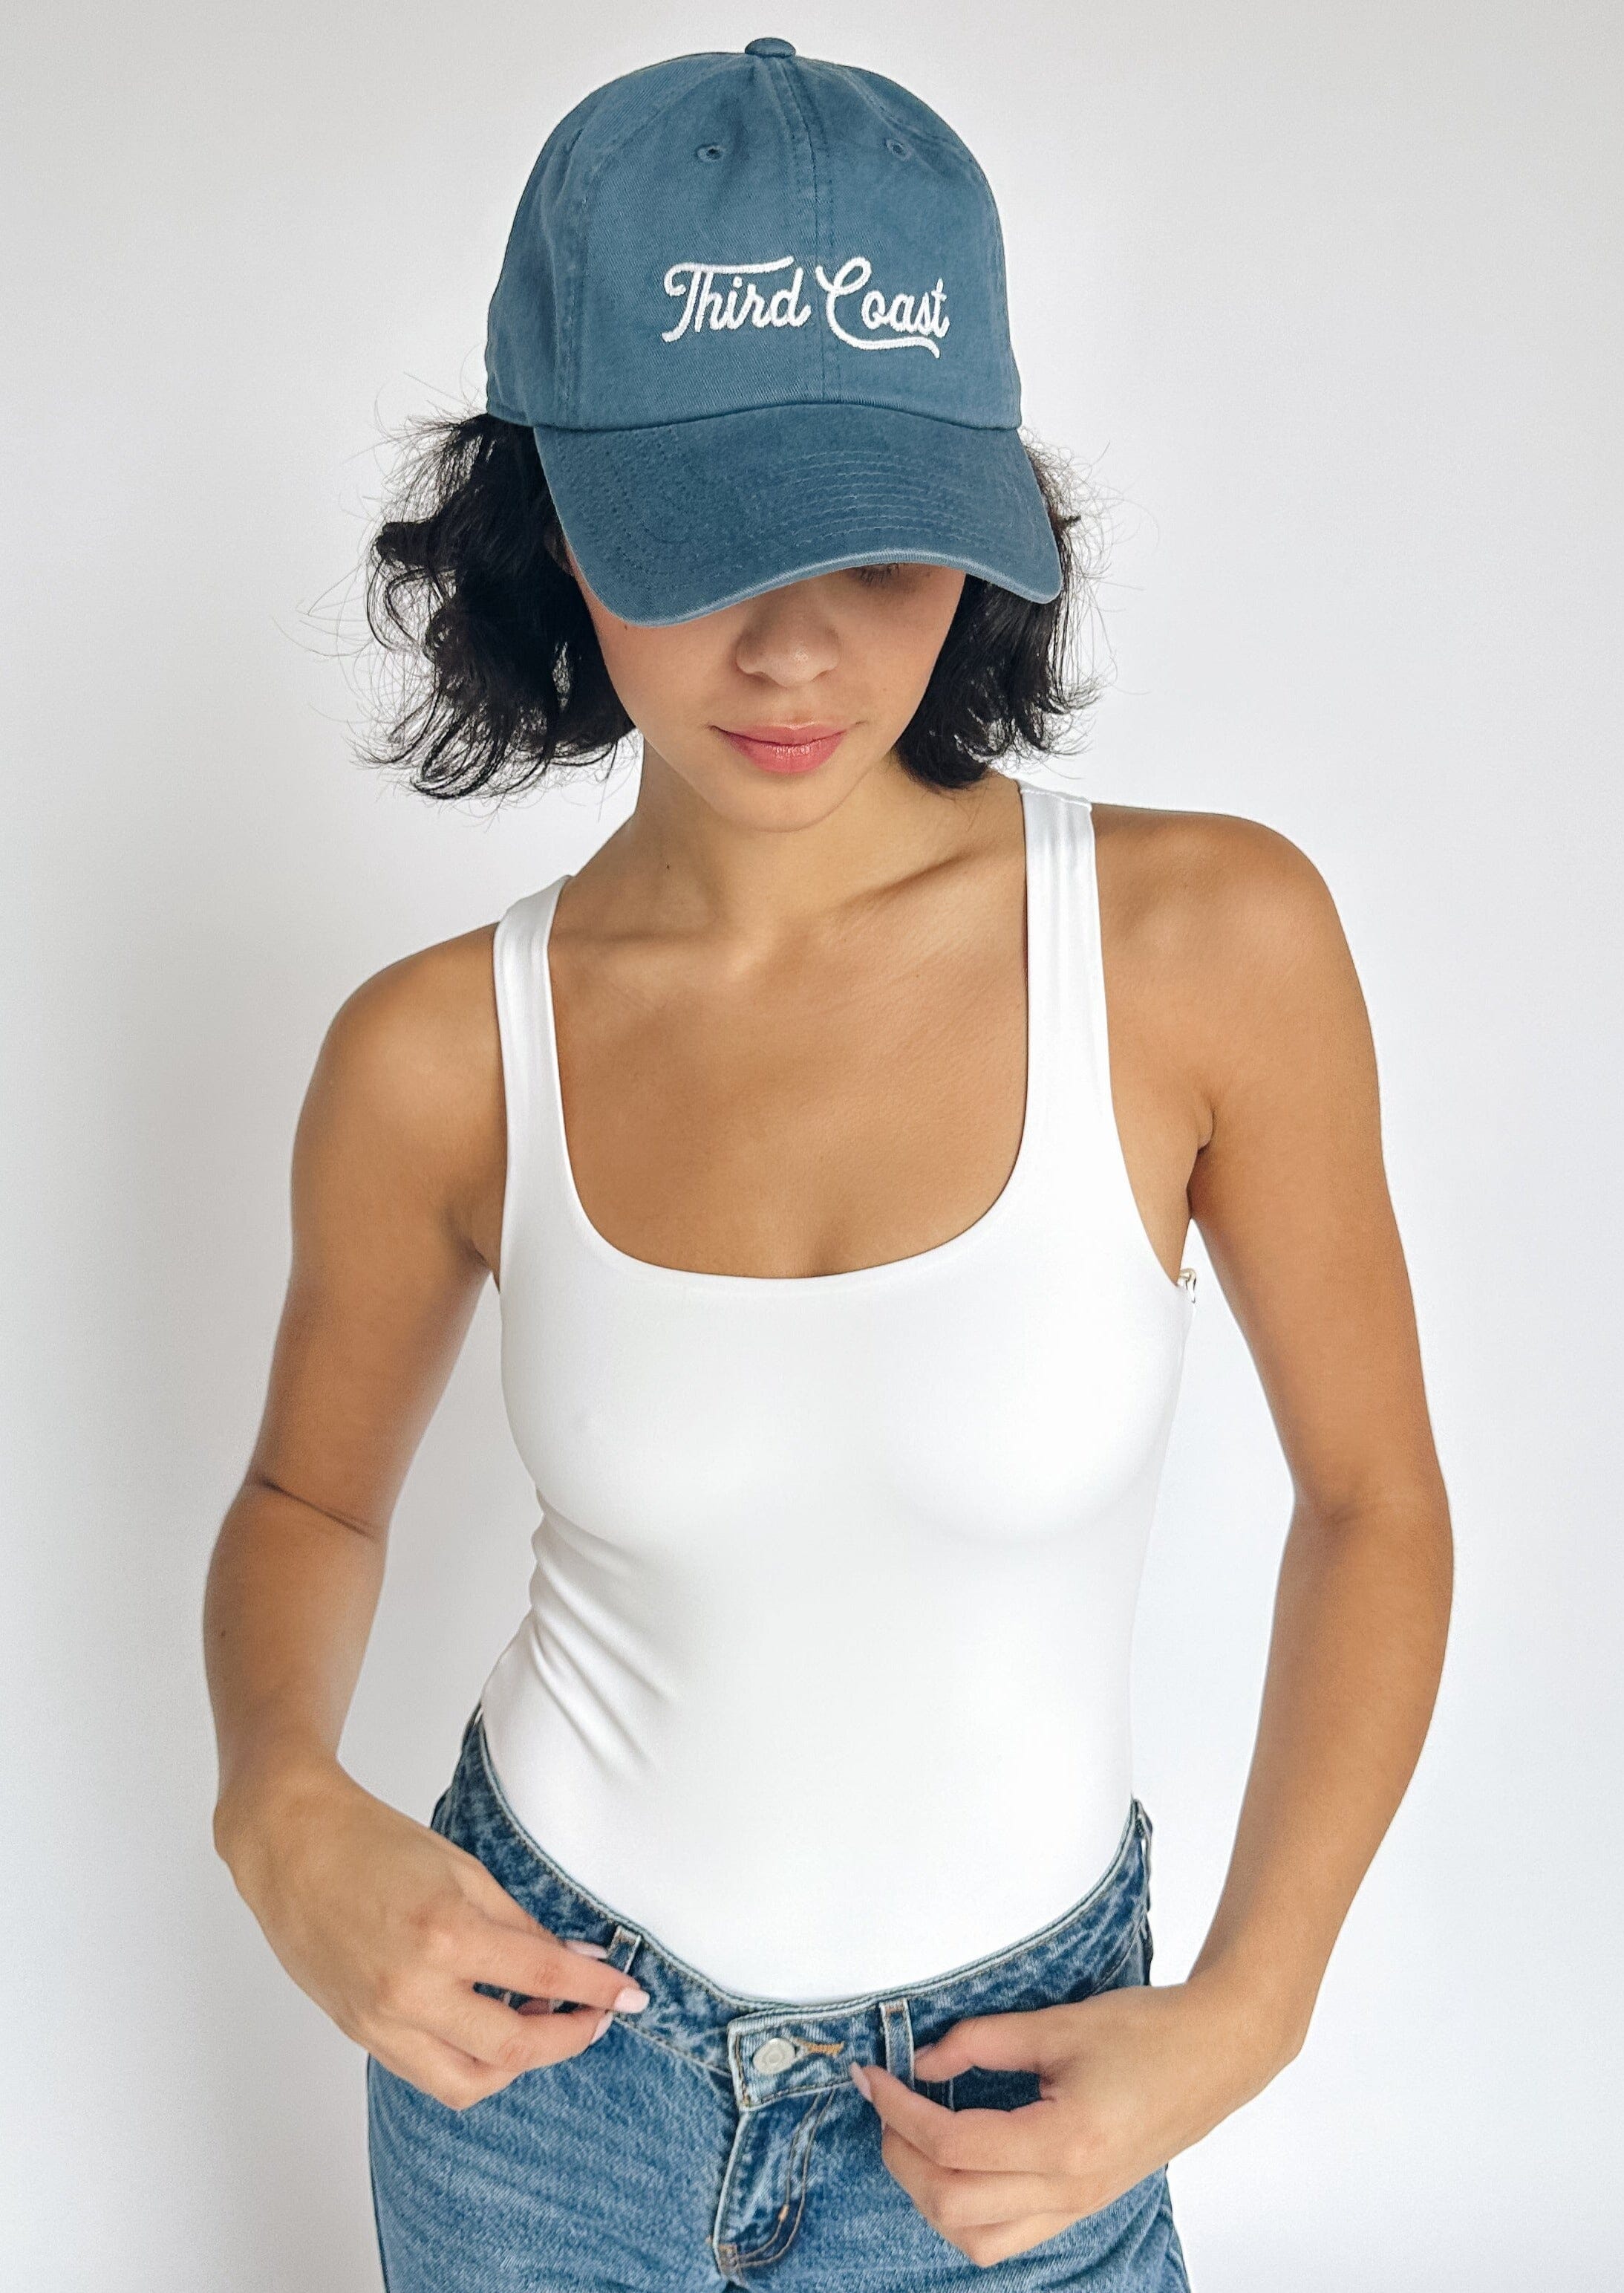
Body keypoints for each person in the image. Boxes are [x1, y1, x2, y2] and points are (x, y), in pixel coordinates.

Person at [203, 38, 1452, 2292]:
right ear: (544, 517)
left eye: (880, 545)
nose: (792, 652)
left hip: (1021, 2108)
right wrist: (278, 1799)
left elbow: (1373, 1504)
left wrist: (1248, 2011)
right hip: (533, 2101)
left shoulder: (1203, 947)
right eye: (704, 545)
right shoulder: (435, 1055)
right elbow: (308, 1500)